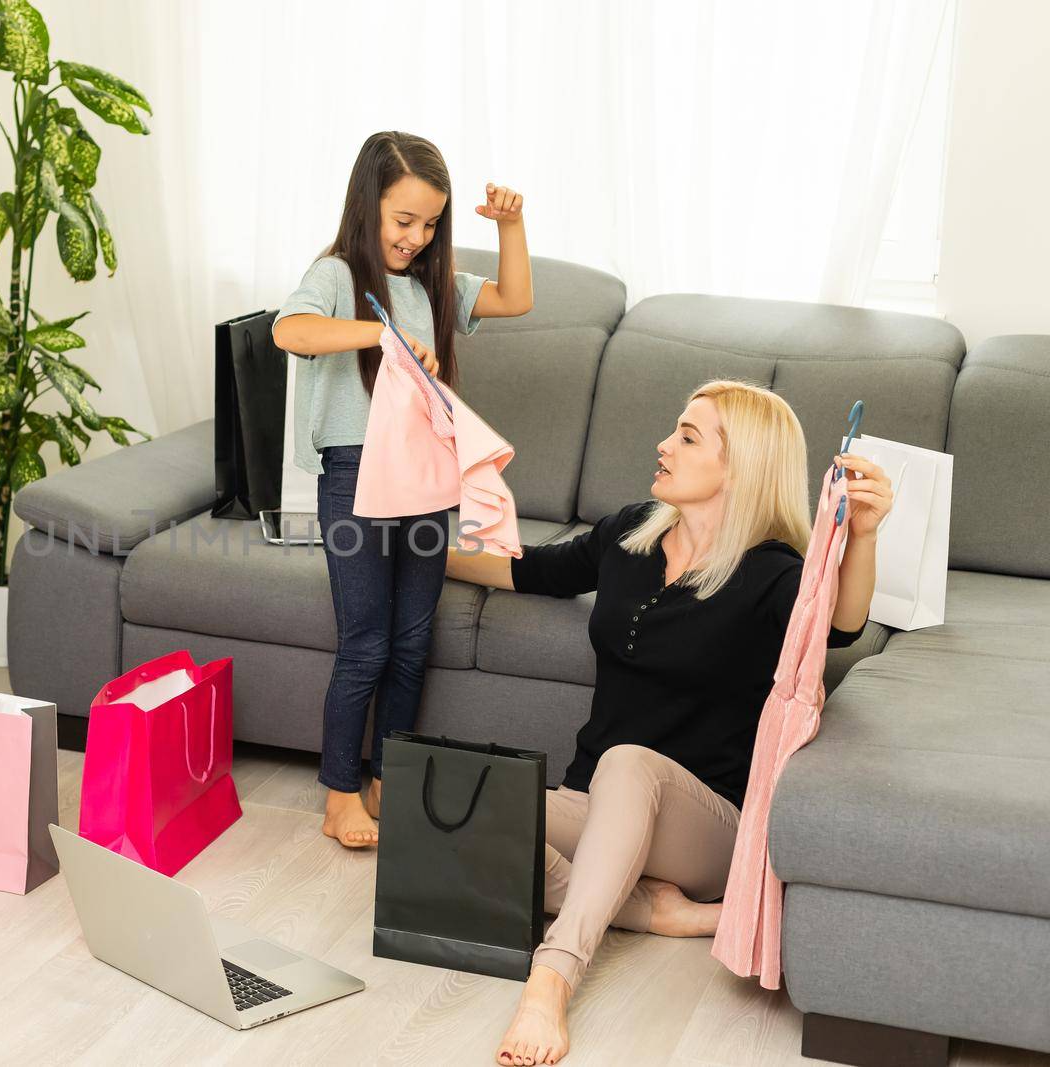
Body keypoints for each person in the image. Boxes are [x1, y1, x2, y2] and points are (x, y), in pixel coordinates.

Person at [445, 380, 893, 1066]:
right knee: (468, 810)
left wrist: (860, 535)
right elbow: (530, 568)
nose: (663, 444)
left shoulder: (774, 574)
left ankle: (551, 978)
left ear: (739, 463)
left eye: (687, 435)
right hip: (594, 800)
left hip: (707, 823)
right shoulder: (630, 530)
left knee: (629, 759)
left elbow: (841, 623)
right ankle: (656, 911)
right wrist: (408, 553)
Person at [271, 130, 535, 848]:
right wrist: (375, 336)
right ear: (368, 205)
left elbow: (515, 296)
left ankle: (388, 778)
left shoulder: (431, 285)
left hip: (425, 475)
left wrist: (510, 225)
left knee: (412, 640)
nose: (416, 238)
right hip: (357, 476)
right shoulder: (334, 276)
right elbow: (287, 330)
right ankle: (338, 795)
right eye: (403, 221)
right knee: (366, 643)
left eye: (429, 224)